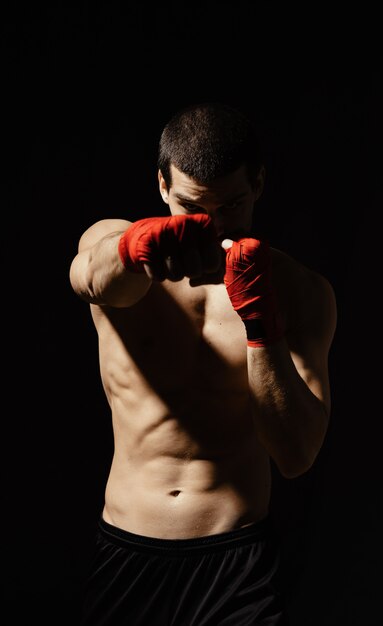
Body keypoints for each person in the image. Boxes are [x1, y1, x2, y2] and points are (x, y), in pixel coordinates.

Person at [69, 101, 337, 625]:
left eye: (231, 205)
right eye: (192, 206)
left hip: (236, 563)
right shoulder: (113, 247)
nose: (211, 227)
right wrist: (134, 248)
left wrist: (261, 327)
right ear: (163, 186)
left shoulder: (299, 292)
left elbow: (296, 454)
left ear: (258, 184)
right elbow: (88, 278)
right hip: (128, 549)